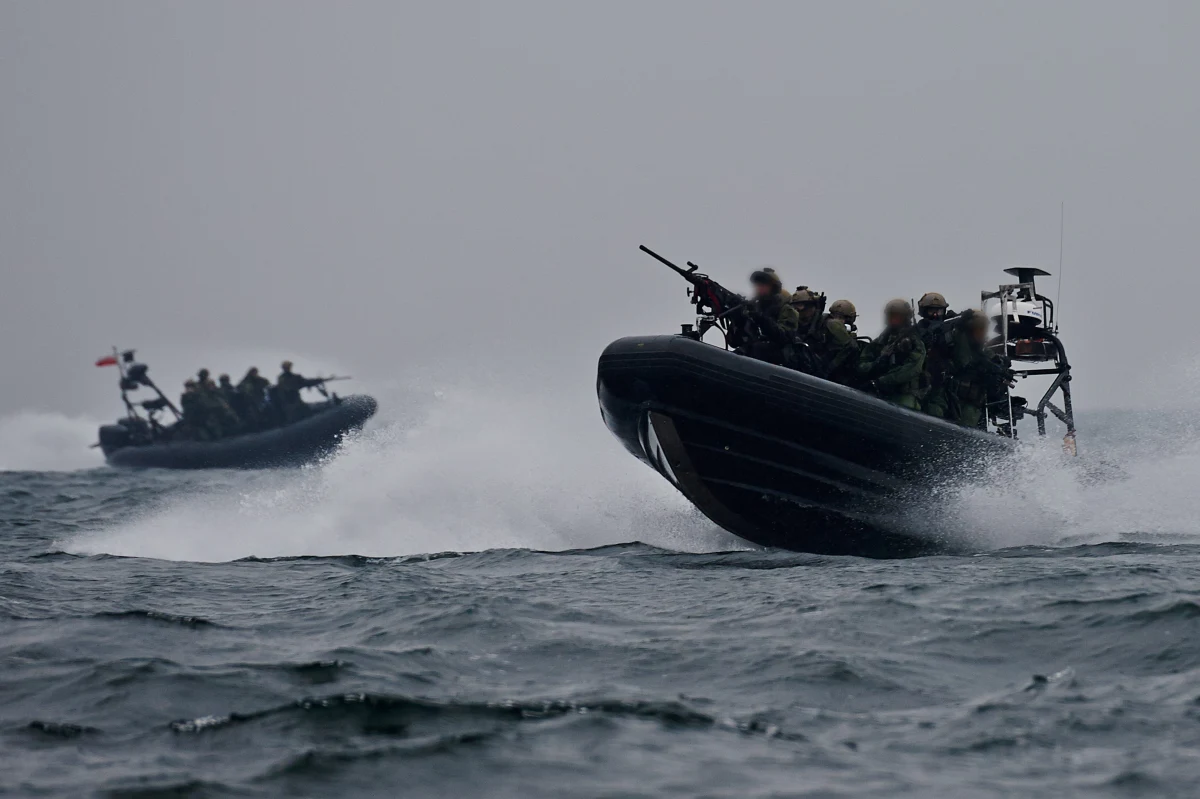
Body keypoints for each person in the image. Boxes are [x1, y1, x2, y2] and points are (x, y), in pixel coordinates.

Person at [857, 299, 926, 410]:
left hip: (903, 394)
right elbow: (862, 364)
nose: (894, 320)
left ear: (906, 318)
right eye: (891, 316)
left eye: (898, 316)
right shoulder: (881, 341)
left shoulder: (914, 342)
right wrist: (876, 365)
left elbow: (912, 369)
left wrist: (881, 382)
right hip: (879, 392)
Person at [726, 268, 800, 367]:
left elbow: (784, 337)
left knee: (758, 348)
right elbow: (734, 342)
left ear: (773, 287)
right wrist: (737, 319)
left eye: (764, 285)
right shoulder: (753, 307)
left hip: (778, 361)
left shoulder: (786, 309)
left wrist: (762, 319)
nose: (759, 288)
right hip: (752, 357)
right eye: (757, 285)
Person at [915, 292, 972, 418]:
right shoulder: (917, 330)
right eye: (931, 311)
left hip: (941, 384)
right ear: (924, 311)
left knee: (938, 411)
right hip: (919, 380)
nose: (935, 315)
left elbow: (962, 358)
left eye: (939, 311)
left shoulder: (950, 327)